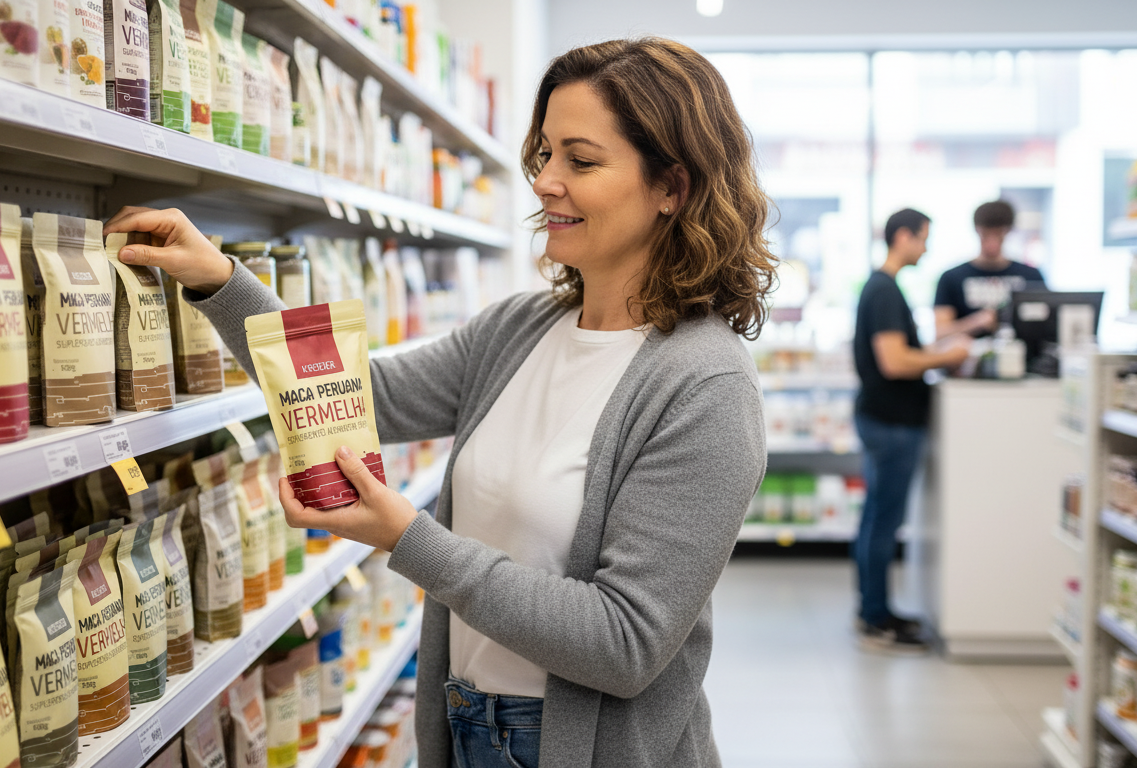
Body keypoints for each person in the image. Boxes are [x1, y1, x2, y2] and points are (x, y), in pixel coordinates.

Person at [104, 37, 775, 768]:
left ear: (671, 186)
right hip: (464, 728)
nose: (547, 181)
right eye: (544, 154)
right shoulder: (521, 328)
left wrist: (408, 539)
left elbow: (625, 642)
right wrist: (218, 280)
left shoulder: (705, 386)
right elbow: (365, 397)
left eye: (580, 161)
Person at [852, 208, 970, 654]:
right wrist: (947, 357)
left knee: (876, 519)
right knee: (883, 522)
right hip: (891, 423)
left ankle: (872, 609)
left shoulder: (882, 287)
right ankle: (877, 618)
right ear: (903, 237)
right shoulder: (884, 290)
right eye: (923, 238)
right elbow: (895, 361)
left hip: (885, 419)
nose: (926, 248)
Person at [933, 199, 1046, 340]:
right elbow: (939, 333)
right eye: (985, 234)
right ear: (977, 230)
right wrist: (976, 322)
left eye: (998, 234)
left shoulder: (1031, 276)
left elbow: (1045, 325)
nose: (991, 242)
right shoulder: (951, 278)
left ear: (1009, 231)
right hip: (967, 358)